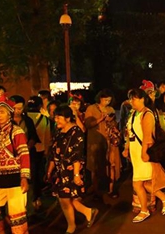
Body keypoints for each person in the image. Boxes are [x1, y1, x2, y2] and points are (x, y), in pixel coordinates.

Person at [0, 95, 30, 234]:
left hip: (15, 179)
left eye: (2, 112)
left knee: (17, 217)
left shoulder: (16, 132)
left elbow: (24, 154)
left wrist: (24, 177)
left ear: (9, 114)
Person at [46, 105, 98, 234]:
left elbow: (77, 155)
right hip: (60, 171)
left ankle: (71, 226)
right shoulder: (59, 132)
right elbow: (54, 154)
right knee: (68, 198)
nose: (56, 120)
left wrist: (76, 175)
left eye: (59, 117)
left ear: (68, 118)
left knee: (65, 199)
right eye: (55, 117)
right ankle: (88, 212)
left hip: (72, 171)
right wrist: (49, 170)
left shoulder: (76, 132)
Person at [124, 89, 165, 222]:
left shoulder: (147, 114)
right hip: (136, 153)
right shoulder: (134, 113)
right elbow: (130, 133)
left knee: (137, 183)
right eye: (130, 99)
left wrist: (144, 151)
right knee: (143, 183)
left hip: (143, 153)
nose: (131, 101)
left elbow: (148, 136)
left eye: (134, 98)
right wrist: (127, 147)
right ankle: (164, 198)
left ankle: (144, 210)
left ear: (142, 99)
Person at [84, 89, 116, 198]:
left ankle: (109, 188)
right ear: (100, 98)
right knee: (94, 165)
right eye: (105, 100)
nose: (107, 102)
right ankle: (95, 188)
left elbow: (114, 124)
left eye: (109, 100)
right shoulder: (91, 108)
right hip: (95, 140)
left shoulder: (110, 109)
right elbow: (87, 124)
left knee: (109, 163)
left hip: (108, 140)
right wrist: (100, 119)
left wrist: (110, 121)